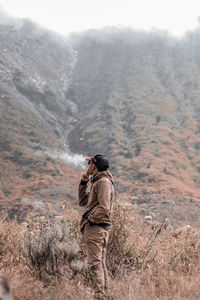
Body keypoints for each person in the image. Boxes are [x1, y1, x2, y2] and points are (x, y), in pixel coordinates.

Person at [78, 154, 114, 300]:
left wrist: (90, 221)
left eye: (89, 164)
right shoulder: (97, 181)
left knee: (95, 264)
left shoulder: (103, 182)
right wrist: (83, 183)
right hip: (97, 227)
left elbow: (105, 207)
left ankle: (100, 296)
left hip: (96, 228)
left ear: (94, 165)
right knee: (100, 263)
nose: (88, 167)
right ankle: (105, 294)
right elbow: (83, 202)